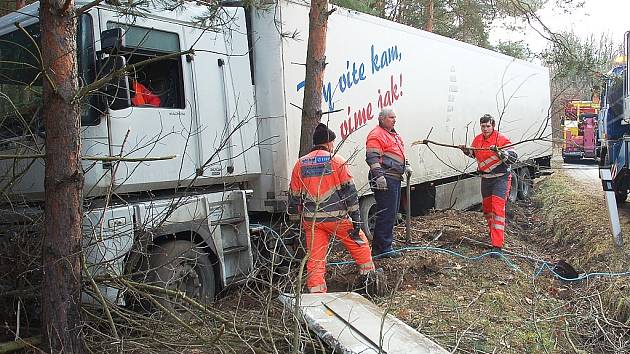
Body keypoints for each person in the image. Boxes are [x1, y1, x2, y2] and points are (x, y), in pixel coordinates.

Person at [288, 123, 384, 294]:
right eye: (332, 142)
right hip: (337, 219)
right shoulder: (337, 161)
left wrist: (297, 225)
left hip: (312, 221)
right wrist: (356, 220)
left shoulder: (300, 164)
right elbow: (350, 192)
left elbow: (294, 196)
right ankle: (370, 282)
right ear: (328, 143)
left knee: (315, 259)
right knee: (360, 245)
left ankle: (317, 295)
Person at [459, 114, 517, 254]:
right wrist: (466, 150)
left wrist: (500, 152)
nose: (485, 129)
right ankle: (493, 235)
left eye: (488, 126)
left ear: (493, 126)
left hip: (500, 179)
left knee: (497, 211)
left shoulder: (501, 139)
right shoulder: (478, 140)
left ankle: (497, 246)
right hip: (485, 179)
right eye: (483, 126)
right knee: (487, 210)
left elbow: (513, 157)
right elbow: (474, 154)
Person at [365, 108, 411, 258]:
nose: (394, 120)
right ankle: (383, 247)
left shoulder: (393, 135)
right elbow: (372, 156)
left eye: (395, 117)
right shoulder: (376, 134)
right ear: (382, 119)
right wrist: (379, 176)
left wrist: (407, 165)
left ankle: (382, 244)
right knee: (387, 212)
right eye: (391, 117)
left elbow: (399, 153)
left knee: (391, 212)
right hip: (386, 177)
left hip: (394, 177)